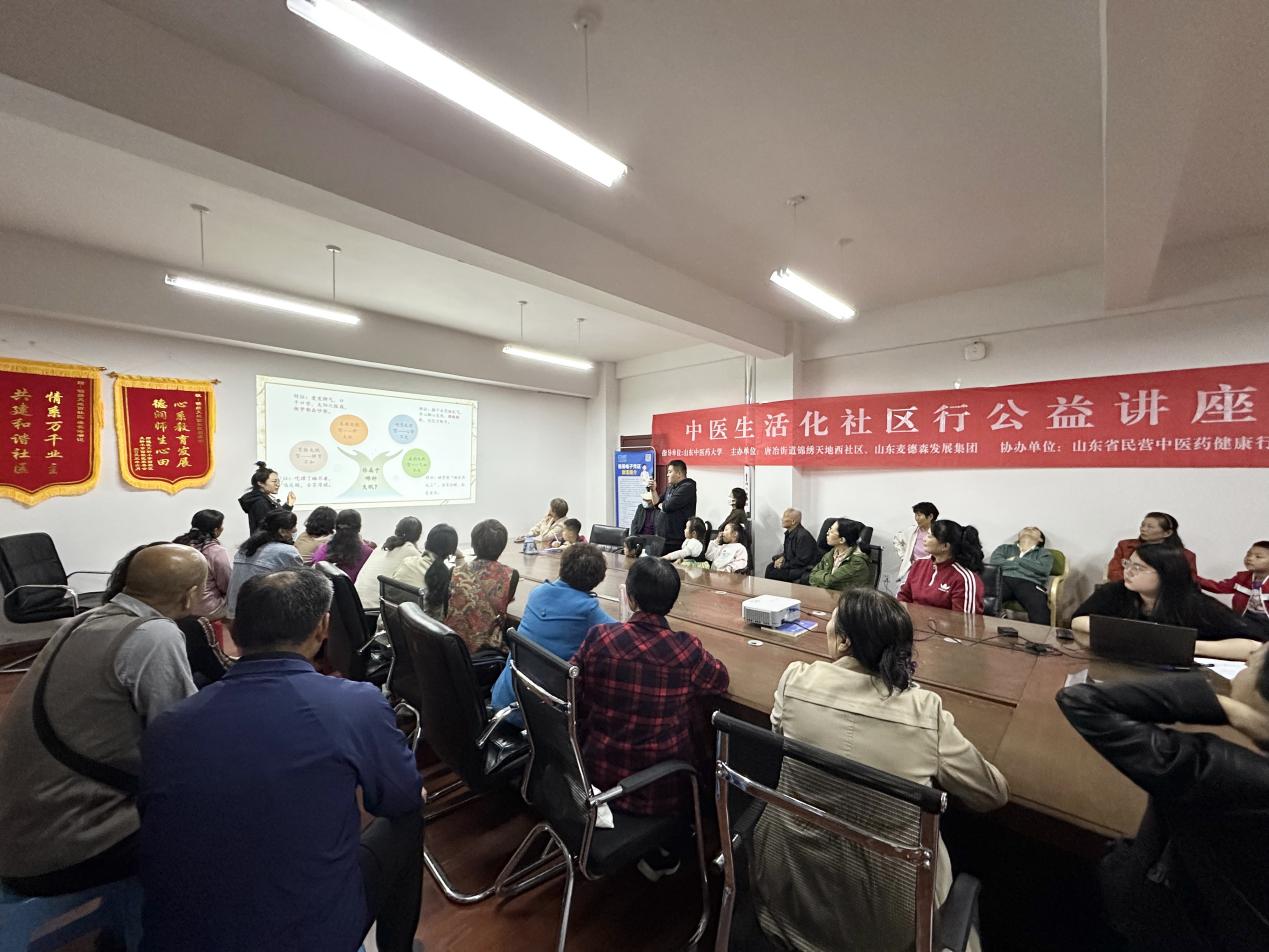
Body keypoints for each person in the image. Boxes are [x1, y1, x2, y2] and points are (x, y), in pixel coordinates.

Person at [139, 569, 423, 952]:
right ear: (323, 627)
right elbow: (400, 797)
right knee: (410, 814)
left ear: (234, 630)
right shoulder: (354, 704)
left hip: (174, 937)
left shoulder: (167, 726)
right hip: (308, 937)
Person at [751, 588, 1008, 952]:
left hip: (789, 892)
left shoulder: (795, 680)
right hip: (890, 922)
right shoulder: (924, 712)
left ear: (844, 641)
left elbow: (780, 732)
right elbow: (992, 793)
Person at [0, 544, 205, 898]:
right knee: (227, 814)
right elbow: (182, 740)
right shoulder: (156, 634)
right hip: (63, 847)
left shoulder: (82, 622)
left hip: (19, 828)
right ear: (190, 596)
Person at [1056, 644, 1269, 952]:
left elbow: (1082, 701)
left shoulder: (1219, 770)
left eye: (1258, 658)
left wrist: (1227, 708)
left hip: (1166, 918)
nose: (1249, 657)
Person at [572, 557, 728, 826]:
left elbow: (570, 683)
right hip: (659, 790)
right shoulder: (686, 650)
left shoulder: (599, 637)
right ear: (672, 603)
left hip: (595, 777)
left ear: (630, 599)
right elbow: (720, 680)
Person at [491, 543, 614, 725]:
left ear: (562, 566)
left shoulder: (538, 593)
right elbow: (623, 635)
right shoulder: (588, 610)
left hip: (504, 698)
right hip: (538, 720)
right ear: (597, 579)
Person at [1072, 545, 1257, 660]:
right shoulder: (1116, 591)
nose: (1128, 572)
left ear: (1167, 574)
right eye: (1128, 564)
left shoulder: (1195, 604)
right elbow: (1079, 621)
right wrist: (1131, 634)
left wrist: (1184, 645)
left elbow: (1254, 646)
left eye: (1138, 568)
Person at [445, 519, 517, 656]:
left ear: (472, 544)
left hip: (453, 648)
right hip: (487, 651)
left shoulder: (454, 572)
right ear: (503, 546)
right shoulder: (511, 575)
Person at [225, 509, 304, 620]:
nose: (295, 529)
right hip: (263, 617)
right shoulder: (287, 551)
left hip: (234, 612)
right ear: (282, 531)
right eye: (293, 526)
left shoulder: (244, 549)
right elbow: (299, 585)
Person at [897, 519, 985, 614]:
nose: (924, 539)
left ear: (945, 546)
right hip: (913, 622)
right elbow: (903, 598)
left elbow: (964, 620)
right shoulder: (919, 564)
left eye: (930, 536)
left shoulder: (963, 578)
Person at [1200, 541, 1269, 641]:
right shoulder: (1242, 577)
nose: (1250, 558)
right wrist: (1192, 578)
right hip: (1244, 619)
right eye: (1248, 554)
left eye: (1258, 557)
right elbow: (1219, 587)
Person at [988, 526, 1054, 625]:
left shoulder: (1044, 553)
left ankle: (1040, 635)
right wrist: (1028, 567)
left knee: (1039, 609)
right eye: (1026, 529)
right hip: (1003, 580)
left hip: (1030, 583)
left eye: (1034, 530)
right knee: (984, 600)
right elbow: (995, 562)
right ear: (1019, 536)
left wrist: (1016, 560)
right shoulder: (1005, 548)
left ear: (1040, 539)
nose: (1029, 529)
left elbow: (1043, 569)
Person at [173, 508, 231, 619]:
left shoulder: (178, 544)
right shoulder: (216, 551)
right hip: (207, 609)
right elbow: (226, 585)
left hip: (179, 606)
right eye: (221, 525)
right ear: (215, 530)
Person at [1107, 512, 1198, 582]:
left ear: (1167, 533)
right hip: (1127, 591)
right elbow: (1114, 573)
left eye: (1150, 527)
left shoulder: (1186, 556)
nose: (1143, 529)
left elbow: (1189, 582)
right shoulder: (1125, 546)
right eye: (1143, 525)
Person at [628, 459, 697, 551]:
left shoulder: (688, 487)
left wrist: (663, 506)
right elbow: (657, 504)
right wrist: (653, 490)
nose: (667, 474)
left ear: (679, 473)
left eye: (670, 472)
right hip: (662, 536)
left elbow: (667, 507)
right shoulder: (671, 487)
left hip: (676, 538)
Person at [355, 516, 423, 609]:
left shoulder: (383, 546)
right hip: (375, 609)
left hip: (357, 605)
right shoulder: (410, 551)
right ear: (418, 536)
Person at [396, 523, 461, 616]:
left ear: (427, 543)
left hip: (390, 620)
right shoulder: (443, 574)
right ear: (451, 551)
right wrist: (460, 557)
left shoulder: (407, 561)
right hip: (418, 623)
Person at [311, 509, 376, 582]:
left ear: (335, 527)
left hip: (325, 588)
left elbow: (314, 575)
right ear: (359, 528)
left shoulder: (323, 550)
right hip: (355, 589)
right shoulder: (369, 553)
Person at [806, 518, 871, 592]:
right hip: (826, 595)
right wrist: (821, 578)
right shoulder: (831, 554)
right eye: (829, 529)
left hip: (847, 598)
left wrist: (819, 577)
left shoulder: (857, 562)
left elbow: (830, 582)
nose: (827, 533)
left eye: (831, 531)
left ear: (842, 540)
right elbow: (812, 575)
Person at [238, 460, 295, 534]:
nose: (278, 484)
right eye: (274, 481)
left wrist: (288, 505)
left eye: (278, 481)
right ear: (260, 483)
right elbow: (272, 526)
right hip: (266, 541)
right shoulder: (260, 502)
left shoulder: (264, 498)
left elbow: (276, 518)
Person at [764, 508, 820, 582]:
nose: (782, 519)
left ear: (793, 521)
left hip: (803, 568)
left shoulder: (803, 536)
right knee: (770, 567)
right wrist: (780, 558)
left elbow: (801, 561)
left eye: (785, 517)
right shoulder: (789, 533)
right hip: (793, 565)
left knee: (773, 573)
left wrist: (783, 565)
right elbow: (788, 553)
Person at [893, 501, 939, 590]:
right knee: (903, 591)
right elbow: (897, 539)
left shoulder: (938, 533)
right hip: (912, 569)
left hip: (928, 571)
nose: (916, 518)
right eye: (915, 515)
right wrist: (904, 557)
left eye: (919, 515)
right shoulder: (912, 530)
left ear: (930, 516)